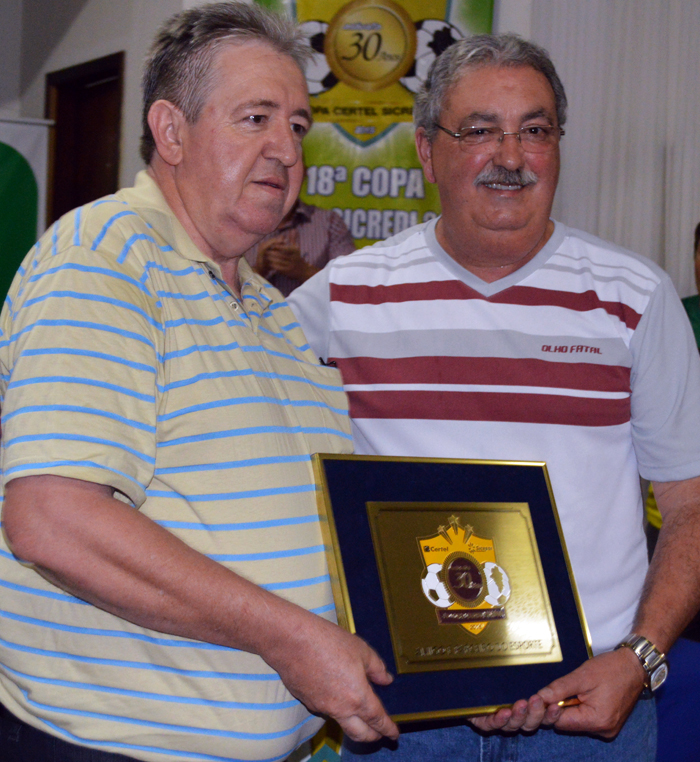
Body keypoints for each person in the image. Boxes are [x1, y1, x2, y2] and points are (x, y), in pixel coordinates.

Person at [0, 4, 398, 761]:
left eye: (298, 126)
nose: (285, 147)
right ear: (172, 132)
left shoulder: (276, 316)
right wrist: (289, 638)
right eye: (256, 118)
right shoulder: (103, 258)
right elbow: (51, 520)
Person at [288, 33, 700, 761]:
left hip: (589, 710)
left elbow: (692, 504)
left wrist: (641, 658)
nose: (510, 157)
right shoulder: (340, 301)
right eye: (479, 131)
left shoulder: (635, 299)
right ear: (425, 151)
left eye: (535, 130)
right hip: (401, 718)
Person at [245, 198, 355, 296]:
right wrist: (259, 270)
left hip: (310, 317)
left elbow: (351, 287)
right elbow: (228, 293)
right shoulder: (241, 221)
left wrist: (304, 270)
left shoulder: (328, 222)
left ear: (304, 176)